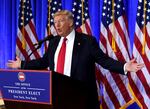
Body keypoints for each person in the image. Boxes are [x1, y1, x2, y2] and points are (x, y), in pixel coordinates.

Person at [7, 10, 144, 109]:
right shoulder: (54, 42)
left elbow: (104, 60)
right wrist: (22, 64)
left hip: (81, 100)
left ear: (71, 22)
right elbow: (44, 62)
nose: (57, 25)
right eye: (55, 22)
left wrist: (125, 66)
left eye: (60, 21)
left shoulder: (86, 41)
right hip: (57, 98)